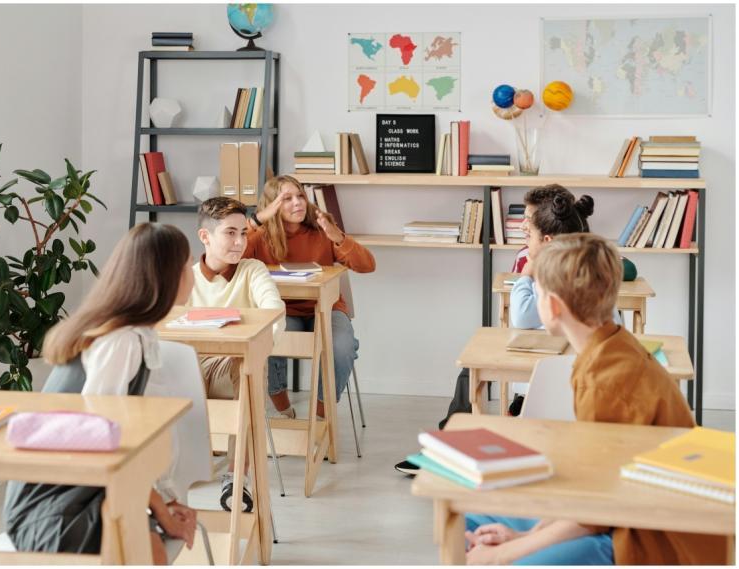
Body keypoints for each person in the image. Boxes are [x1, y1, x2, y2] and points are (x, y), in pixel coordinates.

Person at [462, 233, 723, 565]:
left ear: (552, 306)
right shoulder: (609, 346)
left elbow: (595, 513)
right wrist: (524, 537)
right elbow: (592, 488)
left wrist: (505, 553)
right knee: (473, 518)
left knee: (501, 552)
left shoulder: (603, 382)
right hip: (614, 511)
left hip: (646, 536)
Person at [395, 184, 632, 476]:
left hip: (553, 372)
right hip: (569, 371)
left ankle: (448, 447)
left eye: (528, 223)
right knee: (474, 367)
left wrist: (527, 274)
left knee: (473, 366)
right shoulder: (590, 262)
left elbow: (522, 317)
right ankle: (452, 443)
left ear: (547, 238)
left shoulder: (555, 273)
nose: (523, 227)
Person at [3, 223, 197, 564]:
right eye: (187, 264)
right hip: (54, 508)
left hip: (90, 492)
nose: (192, 273)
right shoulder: (120, 343)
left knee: (148, 546)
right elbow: (100, 446)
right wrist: (159, 508)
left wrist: (162, 501)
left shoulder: (134, 335)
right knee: (148, 552)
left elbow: (123, 445)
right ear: (168, 276)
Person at [243, 175, 375, 420]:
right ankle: (283, 409)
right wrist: (257, 220)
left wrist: (338, 238)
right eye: (287, 199)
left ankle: (321, 418)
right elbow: (229, 259)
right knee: (267, 338)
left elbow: (367, 265)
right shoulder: (259, 237)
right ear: (271, 205)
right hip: (283, 311)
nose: (297, 203)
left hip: (326, 308)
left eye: (300, 196)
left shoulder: (322, 230)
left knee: (342, 347)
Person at [189, 196, 285, 513]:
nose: (240, 241)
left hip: (234, 365)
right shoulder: (186, 277)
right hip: (190, 368)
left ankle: (236, 478)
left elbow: (274, 313)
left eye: (243, 233)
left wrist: (257, 347)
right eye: (230, 233)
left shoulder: (252, 270)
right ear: (205, 237)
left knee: (248, 367)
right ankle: (164, 478)